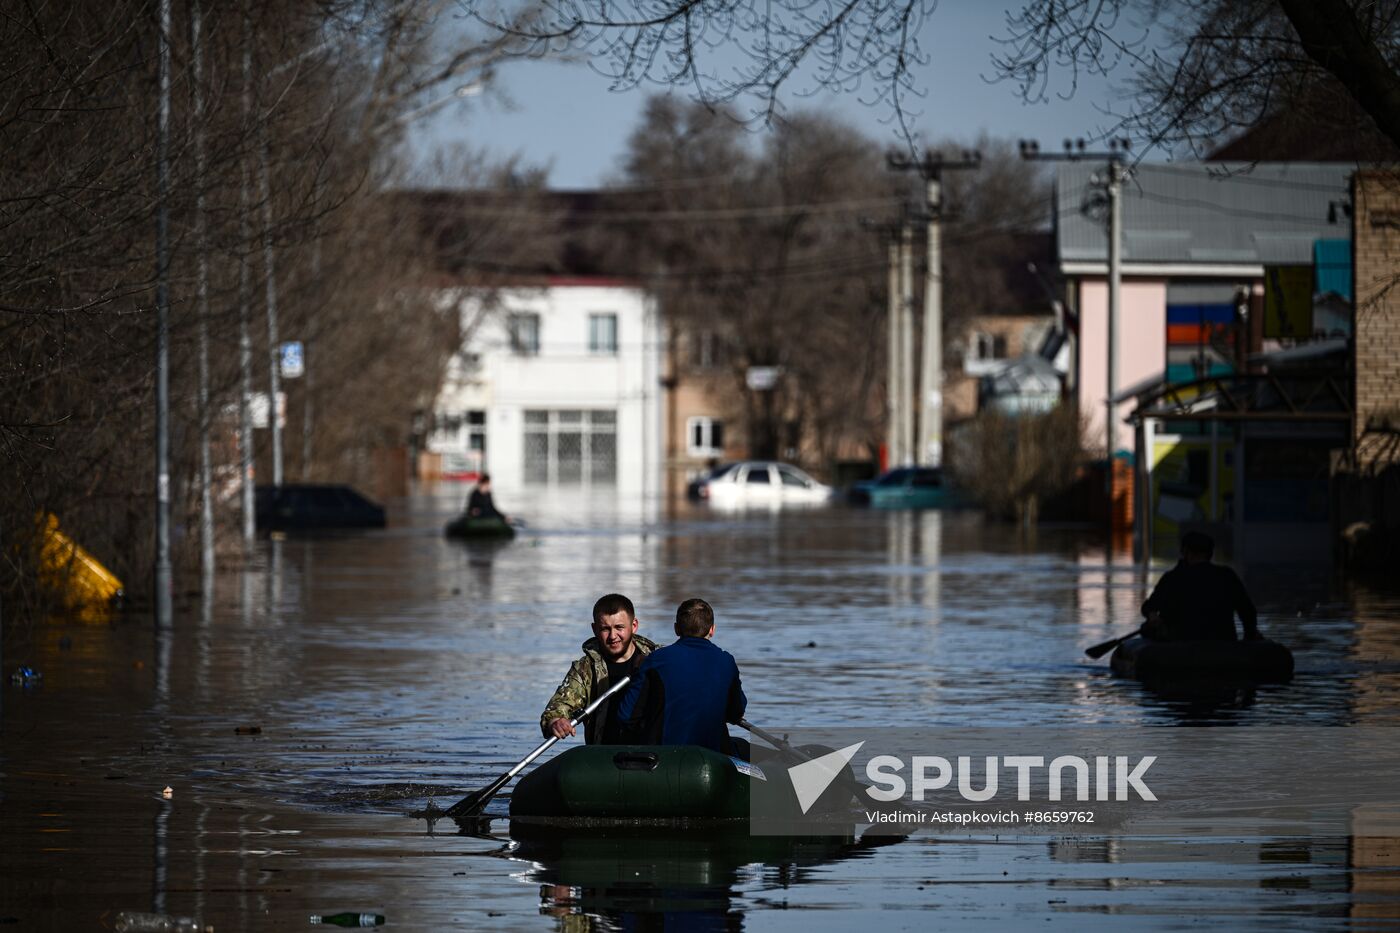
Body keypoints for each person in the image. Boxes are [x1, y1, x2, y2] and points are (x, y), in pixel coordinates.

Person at [615, 598, 748, 756]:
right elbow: (735, 713)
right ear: (712, 630)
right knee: (744, 747)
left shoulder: (655, 660)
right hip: (712, 756)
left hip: (662, 759)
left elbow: (626, 716)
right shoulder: (727, 661)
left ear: (676, 629)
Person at [540, 594, 659, 744]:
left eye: (619, 627)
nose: (613, 636)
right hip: (603, 755)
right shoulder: (585, 669)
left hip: (654, 755)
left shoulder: (658, 659)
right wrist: (556, 722)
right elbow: (555, 710)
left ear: (634, 625)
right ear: (594, 629)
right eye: (605, 629)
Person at [1141, 531, 1261, 642]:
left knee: (1147, 629)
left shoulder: (1172, 578)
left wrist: (1152, 615)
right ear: (1210, 553)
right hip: (1223, 641)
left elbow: (1149, 606)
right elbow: (1247, 611)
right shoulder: (1227, 575)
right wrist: (1250, 635)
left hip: (1179, 643)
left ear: (1185, 551)